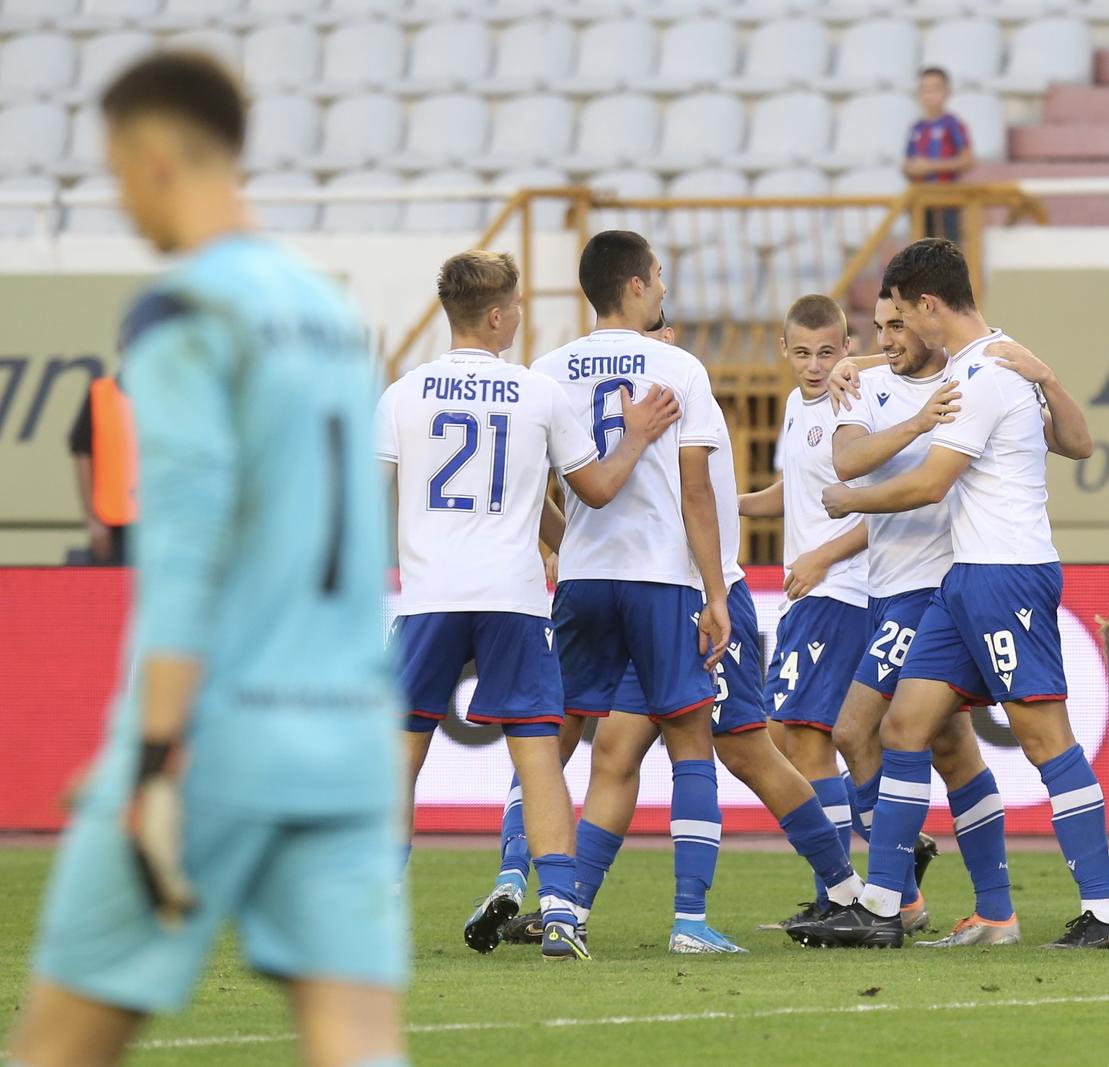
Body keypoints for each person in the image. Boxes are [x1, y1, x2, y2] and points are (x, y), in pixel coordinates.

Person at [9, 52, 410, 1067]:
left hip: (216, 738)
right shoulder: (328, 313)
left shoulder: (184, 308)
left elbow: (184, 544)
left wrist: (149, 757)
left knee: (59, 1044)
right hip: (348, 738)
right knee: (357, 1042)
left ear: (148, 158)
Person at [794, 238, 1109, 951]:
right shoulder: (987, 363)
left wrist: (848, 497)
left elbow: (929, 484)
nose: (899, 335)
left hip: (1007, 573)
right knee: (903, 726)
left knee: (1046, 741)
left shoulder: (986, 372)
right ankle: (886, 905)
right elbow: (1074, 444)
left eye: (902, 317)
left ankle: (1106, 913)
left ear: (926, 305)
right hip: (962, 581)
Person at [488, 314, 866, 952]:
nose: (655, 348)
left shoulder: (680, 393)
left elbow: (698, 498)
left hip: (699, 594)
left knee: (745, 750)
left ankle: (846, 890)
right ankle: (572, 909)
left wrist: (713, 586)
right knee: (616, 754)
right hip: (651, 598)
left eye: (663, 337)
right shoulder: (660, 397)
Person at [380, 250, 679, 962]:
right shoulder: (535, 393)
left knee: (397, 754)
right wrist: (636, 435)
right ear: (494, 316)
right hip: (512, 599)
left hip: (428, 595)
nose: (520, 316)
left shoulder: (402, 394)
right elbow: (598, 488)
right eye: (514, 306)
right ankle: (559, 912)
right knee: (539, 753)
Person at [529, 230, 737, 955]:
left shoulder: (547, 370)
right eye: (659, 277)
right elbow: (697, 492)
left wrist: (565, 545)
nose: (664, 289)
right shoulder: (678, 367)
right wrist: (716, 592)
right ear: (636, 286)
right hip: (659, 579)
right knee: (688, 739)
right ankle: (688, 919)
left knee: (560, 739)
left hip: (583, 578)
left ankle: (559, 903)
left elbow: (530, 493)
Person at [825, 288, 1019, 947]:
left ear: (930, 319)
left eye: (898, 324)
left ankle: (897, 895)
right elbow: (847, 462)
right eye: (878, 327)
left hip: (932, 588)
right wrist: (913, 423)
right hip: (886, 586)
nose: (887, 338)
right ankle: (991, 908)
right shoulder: (867, 383)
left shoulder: (973, 379)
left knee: (855, 730)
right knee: (951, 748)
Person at [737, 295, 889, 929]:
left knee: (804, 738)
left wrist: (823, 558)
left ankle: (849, 893)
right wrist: (733, 504)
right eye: (802, 352)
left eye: (828, 352)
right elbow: (794, 493)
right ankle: (878, 875)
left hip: (839, 589)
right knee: (797, 738)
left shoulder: (856, 401)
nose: (815, 365)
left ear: (846, 347)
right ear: (784, 350)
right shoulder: (798, 408)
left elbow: (878, 507)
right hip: (810, 590)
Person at [68, 364, 136, 566]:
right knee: (111, 593)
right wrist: (93, 519)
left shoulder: (174, 393)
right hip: (114, 525)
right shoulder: (101, 394)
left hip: (163, 522)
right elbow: (82, 454)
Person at [904, 66, 973, 245]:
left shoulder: (953, 124)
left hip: (946, 199)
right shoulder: (916, 128)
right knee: (921, 251)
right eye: (924, 90)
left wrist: (931, 166)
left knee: (947, 249)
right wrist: (911, 168)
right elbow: (907, 162)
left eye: (935, 89)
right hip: (921, 199)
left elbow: (967, 160)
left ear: (946, 92)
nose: (929, 95)